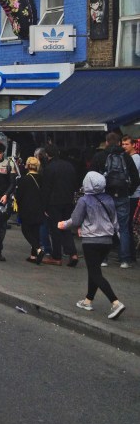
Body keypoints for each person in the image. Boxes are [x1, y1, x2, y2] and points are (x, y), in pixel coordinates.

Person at [58, 172, 126, 320]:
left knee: (95, 273)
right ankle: (88, 300)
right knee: (94, 270)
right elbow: (114, 221)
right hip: (107, 240)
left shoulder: (84, 200)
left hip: (91, 241)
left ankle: (115, 302)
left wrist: (63, 224)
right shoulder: (108, 199)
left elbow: (75, 220)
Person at [90, 131, 140, 268]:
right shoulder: (126, 157)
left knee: (104, 227)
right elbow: (135, 178)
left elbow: (91, 176)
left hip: (104, 196)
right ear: (119, 143)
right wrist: (128, 191)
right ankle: (124, 260)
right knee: (123, 228)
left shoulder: (99, 156)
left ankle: (104, 259)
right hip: (123, 196)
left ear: (106, 142)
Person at [40, 144, 80, 266]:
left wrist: (44, 206)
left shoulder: (49, 168)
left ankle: (56, 256)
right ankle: (72, 253)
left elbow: (46, 189)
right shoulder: (69, 166)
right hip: (67, 201)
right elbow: (75, 184)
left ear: (47, 154)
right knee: (65, 227)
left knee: (55, 229)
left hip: (54, 202)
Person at [15, 157, 47, 264]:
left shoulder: (24, 179)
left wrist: (18, 208)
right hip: (39, 209)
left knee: (26, 230)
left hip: (27, 209)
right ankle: (33, 256)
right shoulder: (42, 178)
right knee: (35, 232)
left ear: (28, 166)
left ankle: (38, 249)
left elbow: (18, 196)